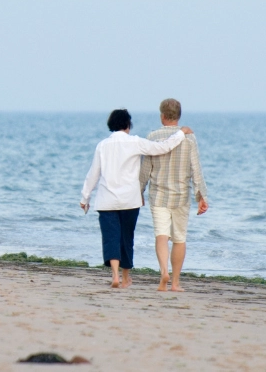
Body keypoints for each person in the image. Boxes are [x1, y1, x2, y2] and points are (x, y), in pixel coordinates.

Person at [81, 109, 193, 289]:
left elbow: (93, 174)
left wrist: (84, 197)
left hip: (106, 200)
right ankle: (126, 278)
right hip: (129, 200)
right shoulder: (135, 142)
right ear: (127, 125)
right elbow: (162, 147)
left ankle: (115, 275)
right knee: (126, 238)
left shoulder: (102, 145)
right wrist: (181, 133)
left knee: (111, 238)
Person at [139, 98, 209, 292]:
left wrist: (139, 191)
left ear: (162, 116)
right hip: (181, 195)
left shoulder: (152, 136)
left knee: (161, 236)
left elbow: (145, 168)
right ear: (179, 116)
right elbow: (196, 169)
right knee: (179, 238)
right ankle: (176, 282)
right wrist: (201, 196)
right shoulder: (189, 139)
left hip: (159, 194)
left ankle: (163, 272)